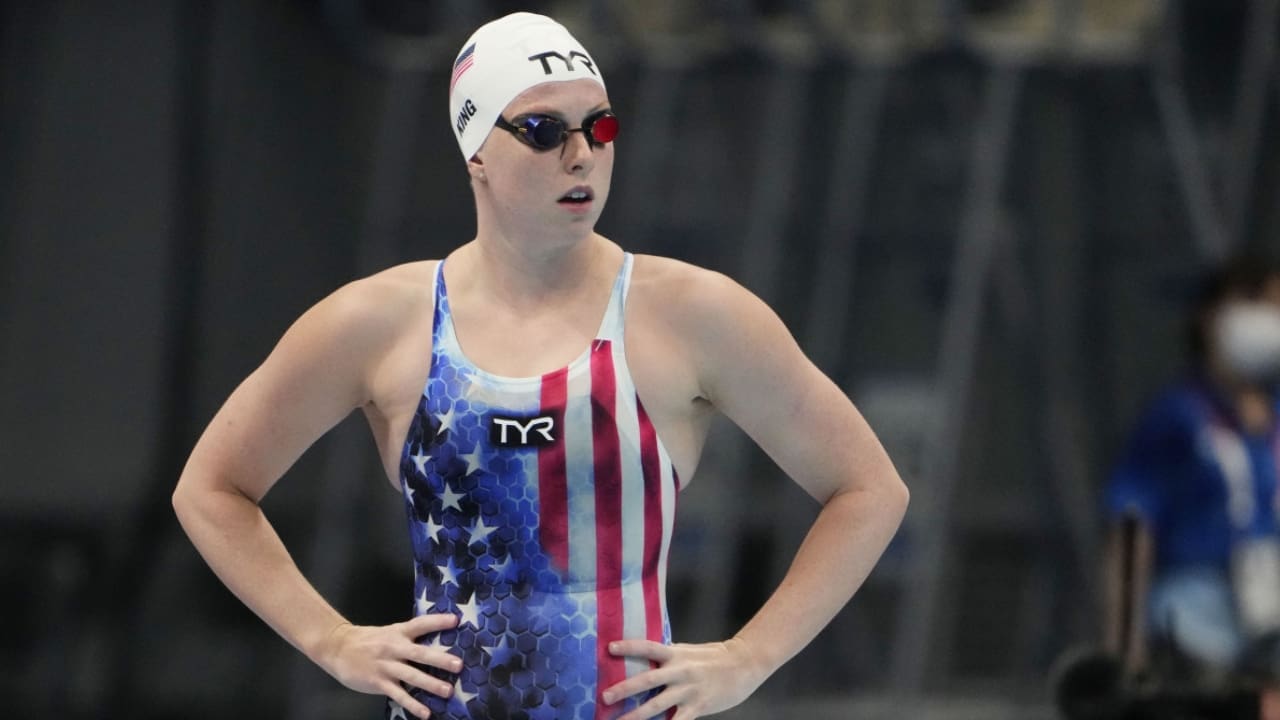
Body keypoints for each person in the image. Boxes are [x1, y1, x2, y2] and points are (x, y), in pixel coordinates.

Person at [172, 12, 908, 720]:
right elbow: (211, 489)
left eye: (600, 126)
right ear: (476, 153)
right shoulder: (378, 324)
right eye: (543, 131)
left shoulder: (693, 316)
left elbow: (868, 489)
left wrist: (750, 658)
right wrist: (331, 641)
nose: (581, 154)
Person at [1104, 256, 1280, 686]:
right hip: (1196, 610)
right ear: (1209, 316)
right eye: (1253, 302)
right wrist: (1124, 647)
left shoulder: (1274, 419)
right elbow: (1131, 523)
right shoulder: (1177, 416)